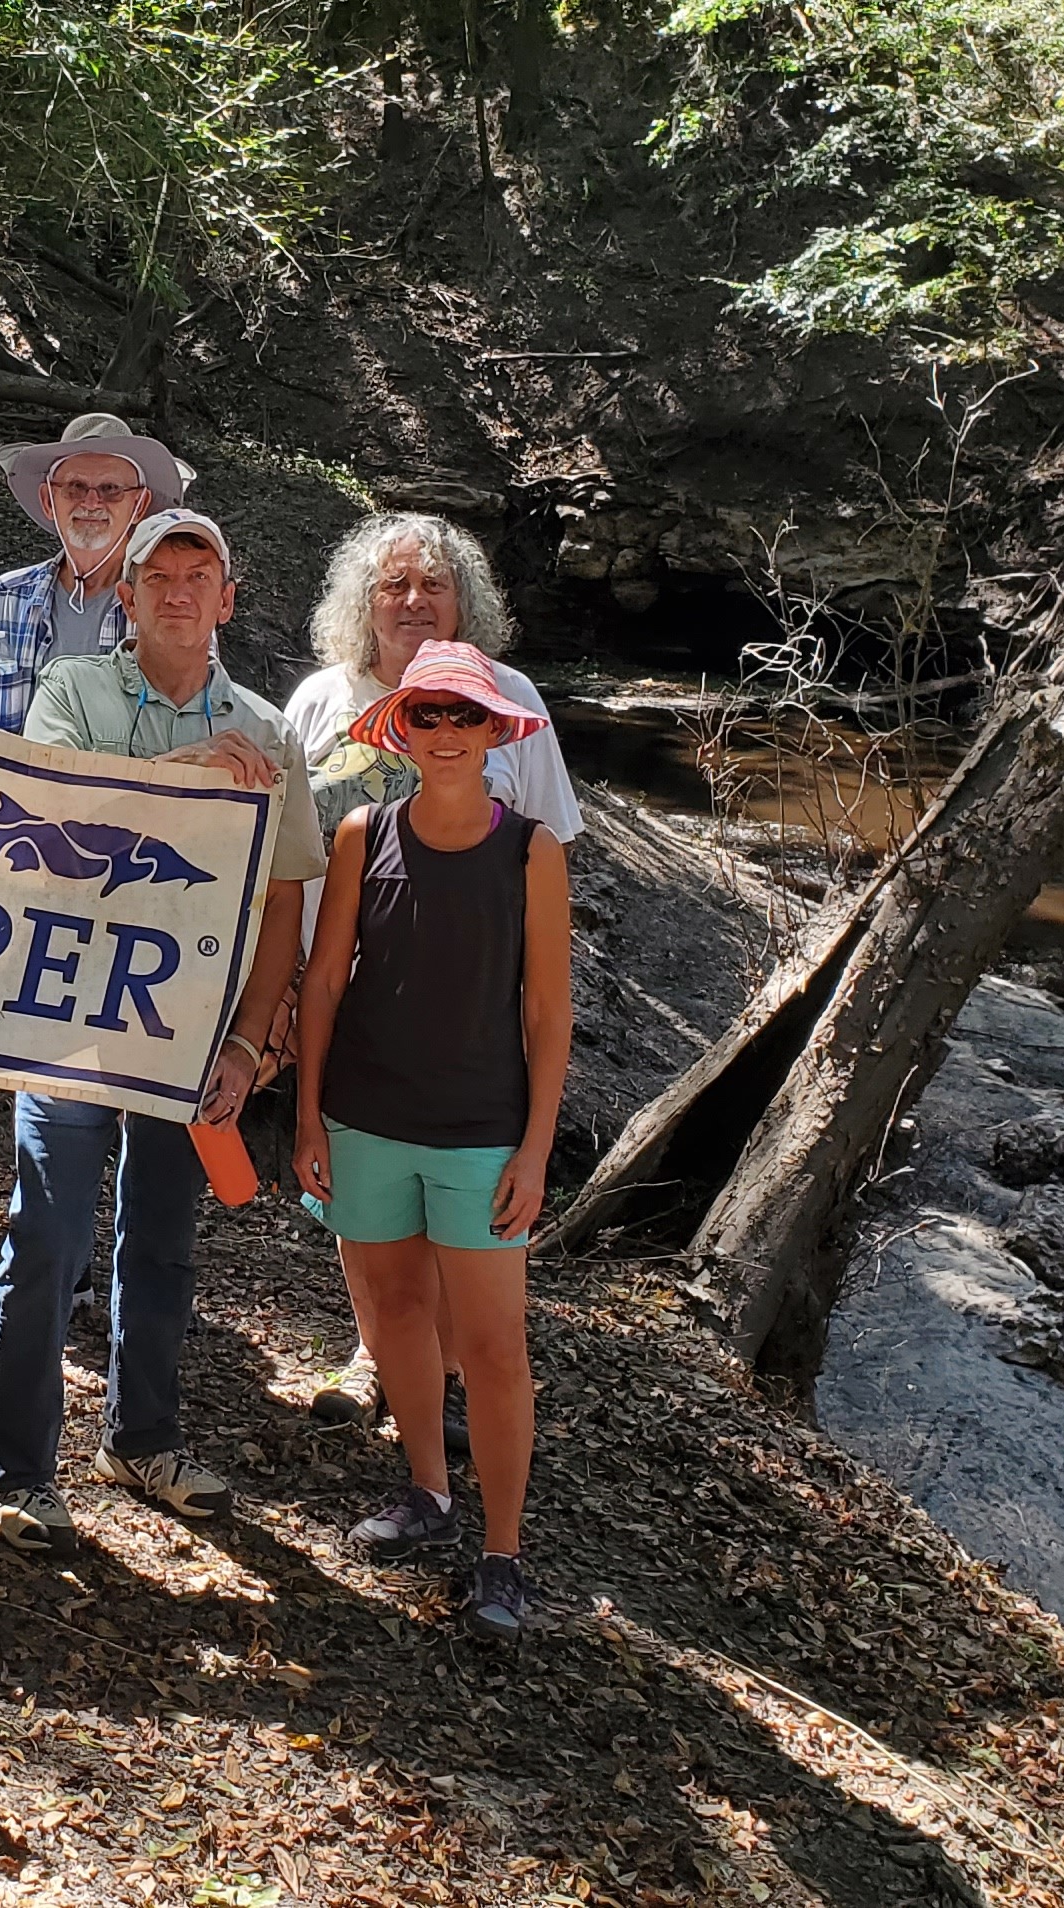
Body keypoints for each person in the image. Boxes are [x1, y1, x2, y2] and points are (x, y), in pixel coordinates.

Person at [0, 509, 319, 1551]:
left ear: (227, 598)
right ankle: (17, 1468)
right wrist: (191, 773)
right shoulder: (71, 693)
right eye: (154, 573)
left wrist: (253, 1042)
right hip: (71, 1015)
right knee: (50, 1236)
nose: (174, 589)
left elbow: (286, 895)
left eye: (195, 572)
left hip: (195, 1031)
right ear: (125, 598)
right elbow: (53, 814)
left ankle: (143, 1438)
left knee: (161, 1243)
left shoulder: (272, 729)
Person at [287, 641, 574, 1642]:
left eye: (466, 716)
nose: (447, 734)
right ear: (400, 730)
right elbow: (323, 982)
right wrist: (308, 1111)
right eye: (428, 716)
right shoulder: (364, 833)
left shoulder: (533, 851)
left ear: (499, 730)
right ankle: (426, 1490)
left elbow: (547, 1011)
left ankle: (504, 1553)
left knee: (494, 1348)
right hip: (366, 1118)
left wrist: (536, 1151)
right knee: (396, 1311)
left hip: (480, 1133)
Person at [279, 512, 586, 1436]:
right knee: (364, 1206)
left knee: (459, 1207)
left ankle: (447, 1374)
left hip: (470, 1023)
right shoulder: (318, 704)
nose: (415, 601)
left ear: (467, 604)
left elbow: (551, 848)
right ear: (361, 606)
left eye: (435, 585)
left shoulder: (508, 698)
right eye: (393, 586)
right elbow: (279, 852)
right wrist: (282, 994)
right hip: (333, 1001)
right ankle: (379, 1357)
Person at [0, 412, 188, 733]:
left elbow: (196, 719)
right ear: (48, 501)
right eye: (75, 487)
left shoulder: (175, 606)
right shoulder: (3, 599)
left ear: (139, 505)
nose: (92, 502)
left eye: (111, 488)